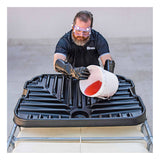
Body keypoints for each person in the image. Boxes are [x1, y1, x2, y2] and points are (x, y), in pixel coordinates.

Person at [53, 10, 115, 80]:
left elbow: (107, 60)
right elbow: (57, 63)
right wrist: (72, 71)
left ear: (90, 29)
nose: (81, 35)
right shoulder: (65, 40)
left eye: (85, 32)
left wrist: (108, 77)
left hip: (93, 76)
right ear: (73, 27)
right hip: (72, 75)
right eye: (78, 31)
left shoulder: (98, 38)